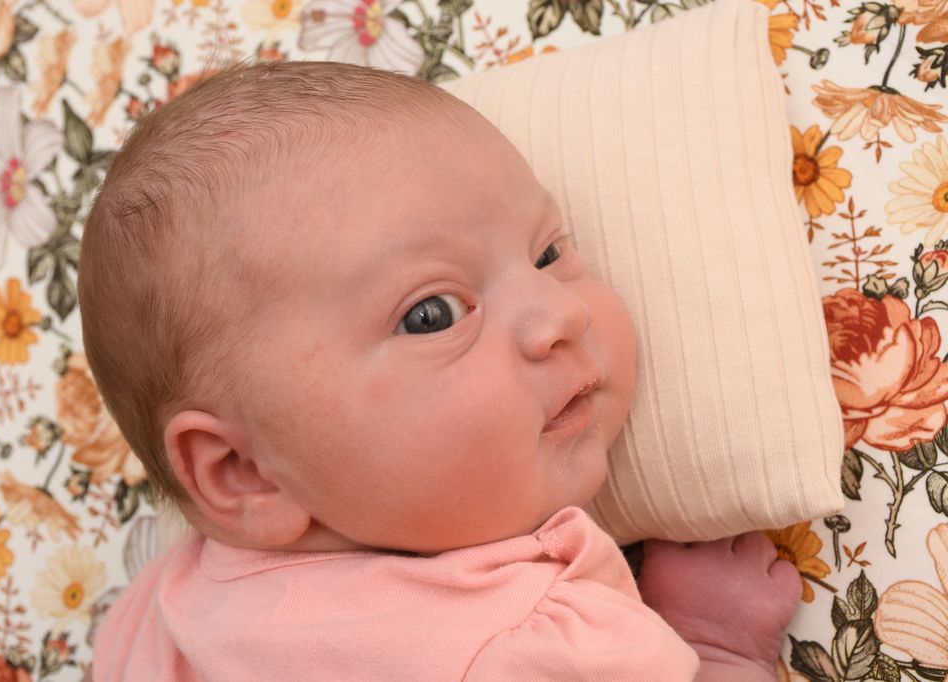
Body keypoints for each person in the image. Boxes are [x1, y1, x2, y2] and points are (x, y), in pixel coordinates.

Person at [81, 60, 801, 681]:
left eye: (548, 254)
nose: (561, 314)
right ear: (244, 472)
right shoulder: (523, 645)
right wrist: (717, 648)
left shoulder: (155, 615)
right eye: (432, 314)